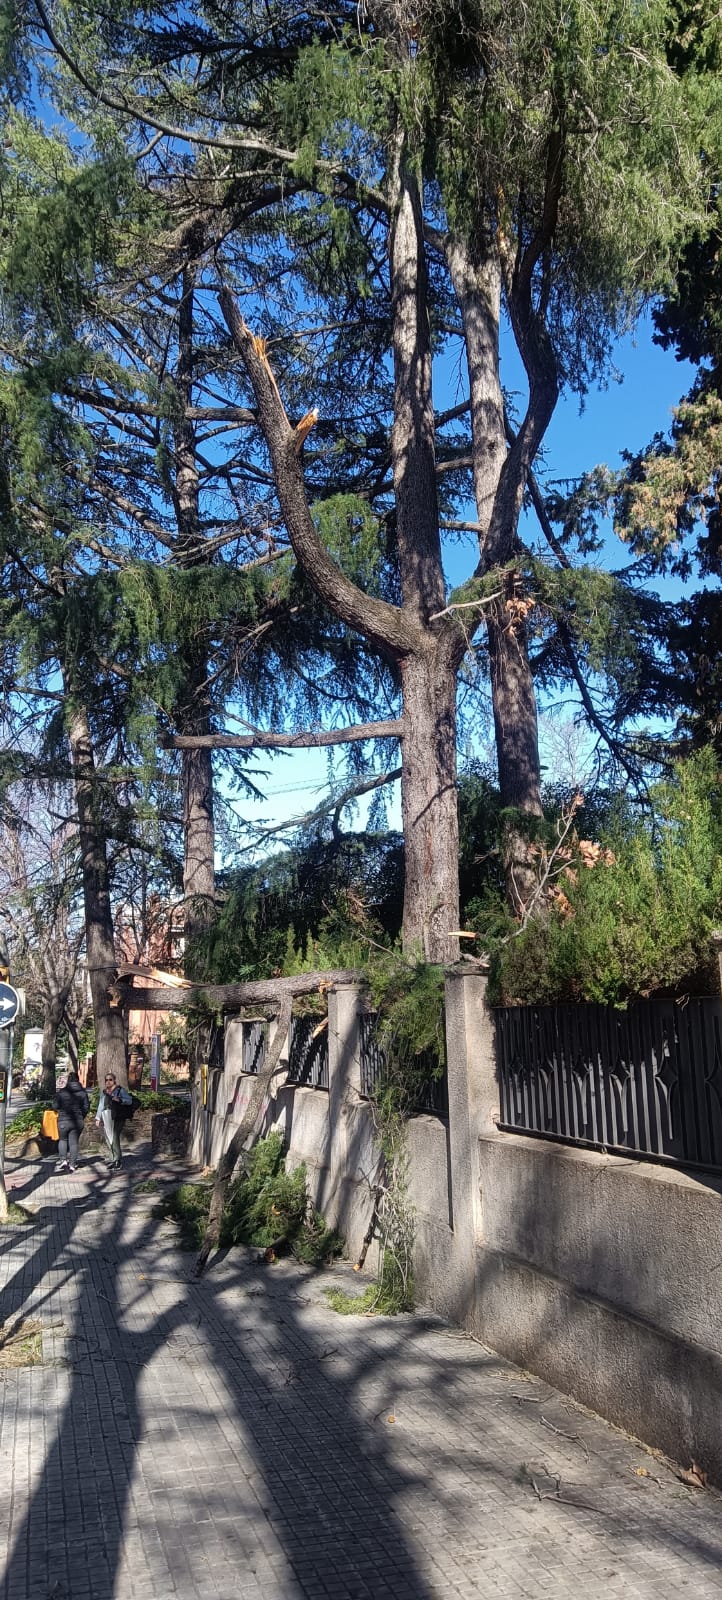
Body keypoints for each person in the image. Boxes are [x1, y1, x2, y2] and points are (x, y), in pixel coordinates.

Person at [53, 1069, 90, 1174]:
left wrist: (60, 1110)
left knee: (63, 1140)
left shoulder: (62, 1092)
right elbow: (86, 1107)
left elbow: (55, 1105)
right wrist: (81, 1115)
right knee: (74, 1143)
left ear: (68, 1081)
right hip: (77, 1121)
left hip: (63, 1120)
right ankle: (72, 1164)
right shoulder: (83, 1093)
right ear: (78, 1080)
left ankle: (63, 1160)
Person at [95, 1072, 132, 1170]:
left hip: (117, 1117)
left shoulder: (120, 1090)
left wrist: (119, 1100)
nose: (108, 1082)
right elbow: (101, 1105)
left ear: (114, 1080)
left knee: (115, 1137)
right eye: (106, 1080)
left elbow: (129, 1100)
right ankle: (112, 1159)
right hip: (106, 1116)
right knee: (108, 1138)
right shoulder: (104, 1092)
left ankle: (118, 1160)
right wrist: (98, 1118)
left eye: (110, 1079)